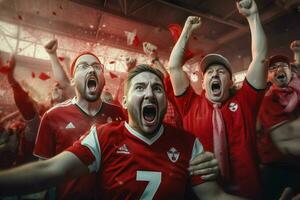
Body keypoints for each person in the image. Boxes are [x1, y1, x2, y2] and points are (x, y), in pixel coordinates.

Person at [0, 64, 244, 200]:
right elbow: (49, 170)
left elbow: (215, 197)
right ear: (125, 102)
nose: (149, 93)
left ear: (164, 101)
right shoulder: (104, 136)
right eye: (140, 87)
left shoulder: (188, 144)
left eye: (157, 88)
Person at [167, 0, 267, 198]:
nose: (214, 75)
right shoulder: (189, 104)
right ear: (203, 83)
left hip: (247, 194)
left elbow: (260, 58)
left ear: (230, 81)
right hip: (201, 194)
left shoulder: (246, 100)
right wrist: (186, 30)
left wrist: (253, 17)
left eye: (221, 71)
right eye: (209, 72)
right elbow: (174, 67)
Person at [33, 51, 126, 200]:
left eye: (97, 67)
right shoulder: (52, 117)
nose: (91, 70)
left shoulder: (120, 115)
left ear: (103, 79)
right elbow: (43, 174)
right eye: (83, 66)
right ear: (72, 81)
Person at [257, 41, 300, 199]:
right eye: (273, 68)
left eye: (283, 66)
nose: (279, 69)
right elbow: (286, 138)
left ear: (291, 71)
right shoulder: (269, 100)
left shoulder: (298, 89)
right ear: (268, 77)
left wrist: (297, 53)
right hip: (277, 170)